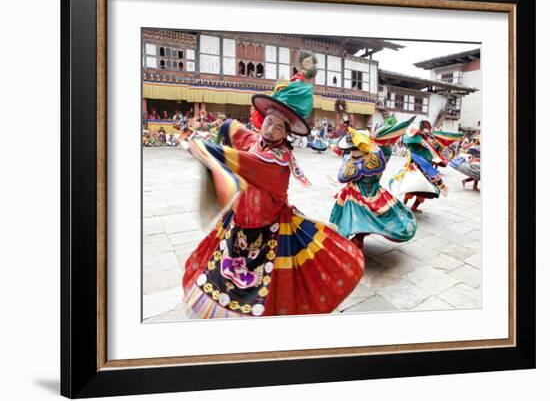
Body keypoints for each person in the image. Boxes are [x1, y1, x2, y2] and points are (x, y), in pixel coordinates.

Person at [181, 55, 364, 319]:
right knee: (220, 279)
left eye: (280, 127)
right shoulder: (256, 140)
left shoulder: (276, 161)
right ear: (262, 119)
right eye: (269, 121)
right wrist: (217, 132)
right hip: (238, 226)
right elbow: (232, 128)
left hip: (269, 232)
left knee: (271, 289)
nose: (272, 129)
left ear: (286, 134)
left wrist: (200, 147)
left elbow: (246, 162)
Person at [329, 116, 417, 250]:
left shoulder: (351, 159)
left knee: (356, 216)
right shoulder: (381, 154)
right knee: (367, 216)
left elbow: (342, 177)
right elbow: (386, 148)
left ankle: (358, 239)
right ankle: (359, 238)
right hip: (375, 191)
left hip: (356, 193)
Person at [390, 120, 462, 213]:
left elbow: (435, 147)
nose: (425, 130)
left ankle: (414, 207)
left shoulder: (426, 138)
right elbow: (409, 141)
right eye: (424, 128)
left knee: (424, 190)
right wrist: (423, 140)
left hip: (426, 169)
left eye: (426, 128)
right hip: (415, 167)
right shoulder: (412, 138)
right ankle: (404, 205)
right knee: (410, 187)